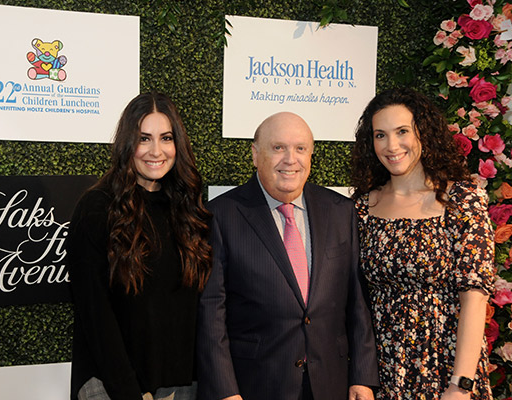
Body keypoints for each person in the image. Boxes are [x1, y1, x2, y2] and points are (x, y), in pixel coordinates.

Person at [196, 111, 379, 400]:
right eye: (278, 147)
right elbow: (211, 314)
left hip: (331, 384)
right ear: (255, 154)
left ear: (311, 155)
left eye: (300, 148)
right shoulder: (220, 215)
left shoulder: (341, 211)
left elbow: (357, 303)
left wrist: (363, 377)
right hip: (254, 386)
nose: (290, 159)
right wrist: (224, 392)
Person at [351, 88, 495, 400]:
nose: (391, 146)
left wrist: (461, 385)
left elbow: (475, 297)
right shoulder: (362, 208)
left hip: (447, 369)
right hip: (383, 373)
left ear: (423, 134)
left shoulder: (462, 199)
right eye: (380, 135)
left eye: (402, 131)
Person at [66, 91, 212, 400]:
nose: (156, 151)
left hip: (181, 385)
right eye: (144, 138)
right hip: (111, 385)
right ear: (127, 144)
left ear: (178, 145)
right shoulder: (96, 209)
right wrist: (129, 392)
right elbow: (95, 317)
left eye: (166, 138)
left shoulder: (188, 210)